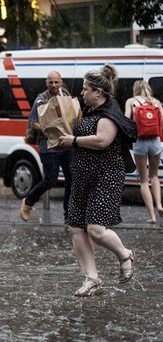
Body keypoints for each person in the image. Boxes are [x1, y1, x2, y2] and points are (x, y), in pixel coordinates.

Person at [58, 64, 137, 297]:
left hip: (106, 177)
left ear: (98, 92)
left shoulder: (110, 113)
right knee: (76, 228)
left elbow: (102, 141)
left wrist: (73, 140)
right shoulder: (89, 111)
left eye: (85, 89)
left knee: (95, 229)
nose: (82, 93)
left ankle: (125, 254)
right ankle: (92, 279)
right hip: (82, 177)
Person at [20, 71, 73, 223]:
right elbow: (33, 123)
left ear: (61, 82)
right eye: (51, 82)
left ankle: (68, 214)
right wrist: (51, 129)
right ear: (46, 83)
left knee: (72, 178)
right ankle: (28, 202)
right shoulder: (41, 99)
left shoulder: (66, 96)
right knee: (51, 179)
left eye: (56, 82)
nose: (54, 85)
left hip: (66, 144)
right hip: (48, 145)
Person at [124, 80, 163, 224]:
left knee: (144, 180)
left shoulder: (131, 102)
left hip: (140, 142)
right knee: (154, 176)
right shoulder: (156, 102)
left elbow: (126, 120)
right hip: (155, 141)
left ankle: (152, 216)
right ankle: (159, 205)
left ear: (135, 89)